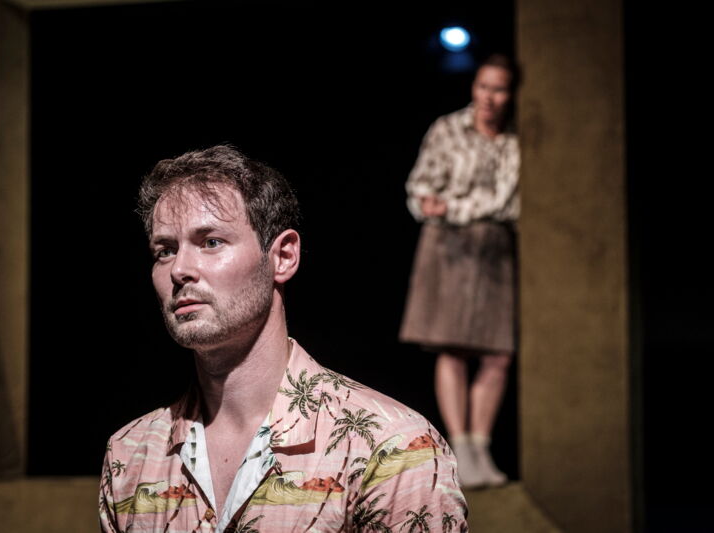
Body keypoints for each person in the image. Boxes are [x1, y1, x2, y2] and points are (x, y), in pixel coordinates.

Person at [99, 145, 468, 532]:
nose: (179, 269)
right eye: (165, 250)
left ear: (284, 256)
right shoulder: (130, 457)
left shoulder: (393, 448)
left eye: (211, 242)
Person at [399, 54, 520, 489]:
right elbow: (419, 187)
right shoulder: (448, 128)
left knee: (498, 353)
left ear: (511, 94)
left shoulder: (516, 139)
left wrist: (454, 206)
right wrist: (433, 204)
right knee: (452, 349)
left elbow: (508, 203)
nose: (489, 97)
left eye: (499, 89)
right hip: (449, 246)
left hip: (494, 247)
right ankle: (461, 448)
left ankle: (481, 448)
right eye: (483, 86)